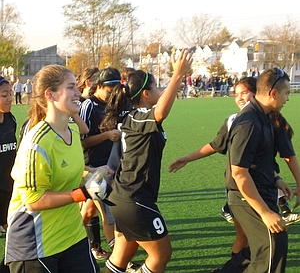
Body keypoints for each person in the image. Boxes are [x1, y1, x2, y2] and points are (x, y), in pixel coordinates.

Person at [5, 64, 109, 273]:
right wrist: (82, 193)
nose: (78, 92)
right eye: (71, 87)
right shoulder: (37, 143)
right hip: (35, 245)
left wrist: (93, 173)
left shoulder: (71, 129)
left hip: (72, 236)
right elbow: (34, 201)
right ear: (50, 94)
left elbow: (68, 170)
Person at [103, 49, 192, 273]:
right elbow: (161, 113)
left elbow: (161, 108)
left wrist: (178, 79)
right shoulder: (137, 116)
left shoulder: (135, 117)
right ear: (145, 94)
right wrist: (178, 75)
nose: (159, 91)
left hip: (125, 197)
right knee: (161, 255)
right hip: (134, 199)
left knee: (121, 258)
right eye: (155, 87)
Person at [226, 68, 293, 272]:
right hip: (246, 198)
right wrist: (264, 213)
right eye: (286, 93)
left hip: (262, 191)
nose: (287, 99)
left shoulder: (264, 115)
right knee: (272, 247)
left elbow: (259, 160)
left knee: (260, 252)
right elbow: (239, 173)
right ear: (273, 94)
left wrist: (275, 178)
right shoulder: (248, 123)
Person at [80, 67, 122, 260]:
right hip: (93, 168)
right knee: (108, 212)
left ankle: (86, 245)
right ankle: (118, 257)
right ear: (98, 86)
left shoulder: (113, 104)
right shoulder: (89, 105)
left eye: (116, 88)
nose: (113, 93)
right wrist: (107, 135)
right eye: (109, 88)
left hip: (110, 166)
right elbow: (83, 142)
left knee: (88, 211)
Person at [0, 77, 17, 273]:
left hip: (10, 191)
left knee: (15, 233)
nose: (9, 99)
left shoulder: (10, 120)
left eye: (10, 94)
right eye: (4, 95)